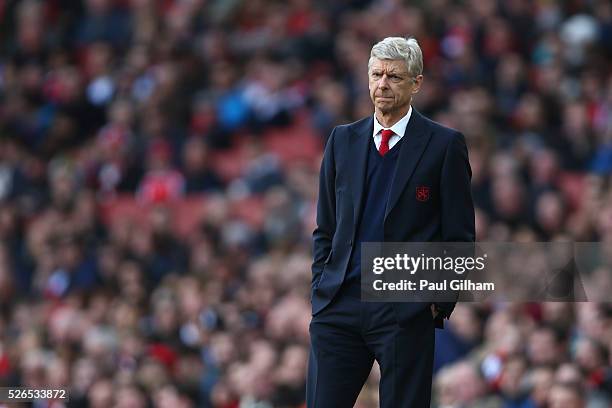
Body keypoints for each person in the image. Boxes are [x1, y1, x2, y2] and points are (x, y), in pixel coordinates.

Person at [307, 36, 475, 407]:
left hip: (404, 305)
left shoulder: (444, 145)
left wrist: (437, 301)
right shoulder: (341, 140)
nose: (382, 84)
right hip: (339, 303)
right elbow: (326, 228)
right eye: (376, 75)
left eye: (394, 77)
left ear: (416, 84)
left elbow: (460, 236)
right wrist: (321, 288)